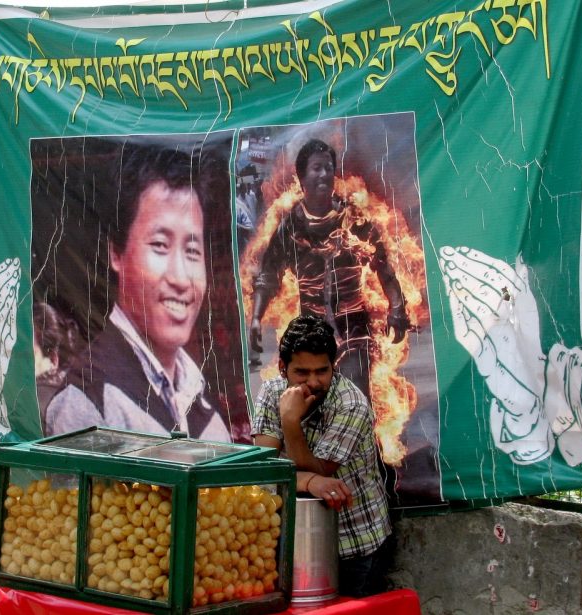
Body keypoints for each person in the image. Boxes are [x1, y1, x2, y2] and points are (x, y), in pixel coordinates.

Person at [44, 146, 231, 441]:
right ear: (116, 252)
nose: (181, 278)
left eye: (193, 251)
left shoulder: (202, 402)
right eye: (159, 245)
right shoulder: (87, 404)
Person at [249, 138, 410, 400]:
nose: (324, 174)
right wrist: (257, 317)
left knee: (357, 403)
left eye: (328, 167)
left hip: (355, 329)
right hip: (311, 330)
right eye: (316, 168)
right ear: (302, 178)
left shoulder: (354, 217)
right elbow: (268, 276)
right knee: (317, 405)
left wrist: (397, 306)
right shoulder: (290, 226)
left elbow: (383, 265)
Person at [252, 315, 394, 597]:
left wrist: (290, 423)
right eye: (302, 372)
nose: (314, 382)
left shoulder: (350, 404)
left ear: (333, 366)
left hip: (355, 546)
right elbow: (263, 467)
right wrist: (307, 481)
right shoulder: (271, 392)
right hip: (296, 546)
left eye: (322, 371)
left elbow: (320, 471)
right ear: (283, 368)